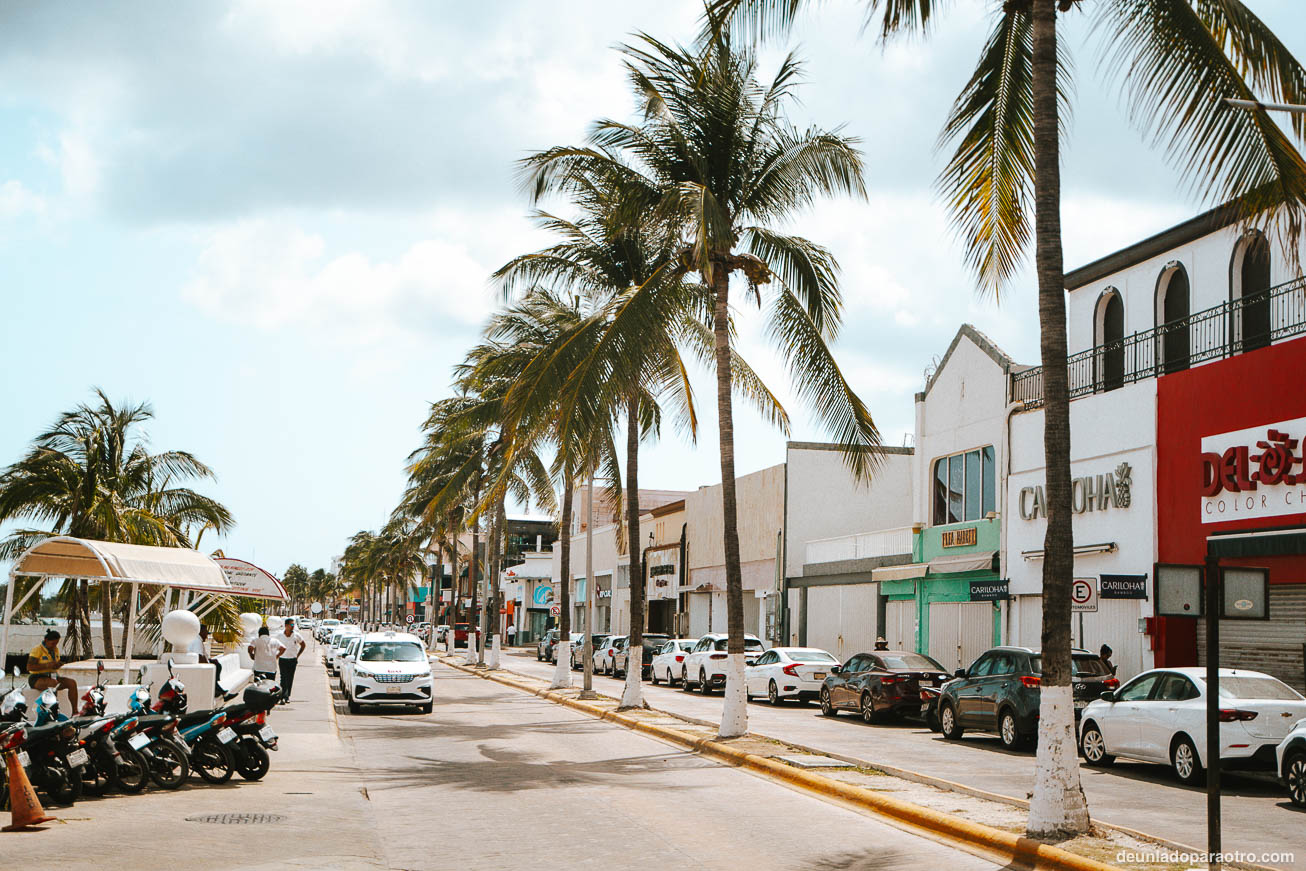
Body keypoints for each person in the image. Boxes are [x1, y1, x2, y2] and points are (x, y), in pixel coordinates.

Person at [26, 629, 77, 710]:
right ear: (46, 640)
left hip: (52, 676)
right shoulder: (37, 649)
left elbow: (53, 665)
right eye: (53, 643)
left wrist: (57, 664)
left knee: (72, 683)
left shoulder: (55, 650)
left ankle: (75, 711)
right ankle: (54, 711)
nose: (54, 645)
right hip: (36, 678)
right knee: (53, 683)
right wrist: (47, 665)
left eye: (56, 643)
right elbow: (29, 667)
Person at [277, 618, 307, 704]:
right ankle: (283, 696)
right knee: (283, 678)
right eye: (291, 625)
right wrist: (277, 654)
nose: (293, 626)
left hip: (292, 660)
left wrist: (297, 655)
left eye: (294, 625)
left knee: (290, 678)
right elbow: (275, 645)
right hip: (282, 659)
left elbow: (303, 645)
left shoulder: (296, 635)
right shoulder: (279, 635)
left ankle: (287, 696)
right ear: (286, 626)